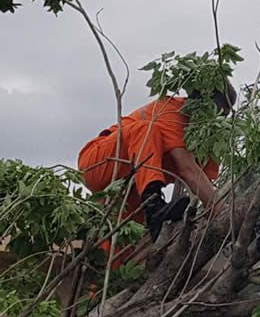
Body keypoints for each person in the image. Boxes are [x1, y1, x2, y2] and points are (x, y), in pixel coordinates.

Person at [78, 82, 237, 254]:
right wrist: (229, 217)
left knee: (119, 243)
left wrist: (229, 227)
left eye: (226, 115)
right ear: (202, 105)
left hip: (129, 187)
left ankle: (102, 277)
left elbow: (204, 186)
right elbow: (189, 171)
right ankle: (153, 205)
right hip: (98, 164)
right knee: (147, 128)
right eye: (219, 111)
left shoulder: (202, 138)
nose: (221, 119)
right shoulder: (170, 110)